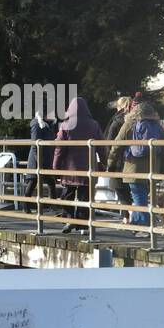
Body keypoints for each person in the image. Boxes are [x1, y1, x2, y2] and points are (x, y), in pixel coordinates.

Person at [52, 97, 104, 233]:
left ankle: (69, 220)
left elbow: (59, 149)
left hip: (70, 168)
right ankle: (82, 225)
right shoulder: (94, 124)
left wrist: (55, 167)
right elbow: (101, 147)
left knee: (67, 195)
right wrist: (105, 162)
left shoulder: (66, 125)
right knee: (84, 197)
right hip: (88, 167)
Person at [119, 100, 164, 226]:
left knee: (139, 197)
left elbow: (116, 146)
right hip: (153, 168)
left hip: (133, 168)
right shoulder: (158, 126)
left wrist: (111, 164)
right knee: (143, 197)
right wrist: (163, 168)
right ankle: (140, 223)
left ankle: (143, 226)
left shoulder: (129, 124)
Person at [101, 96, 134, 213]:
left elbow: (109, 142)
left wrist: (107, 160)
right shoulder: (135, 119)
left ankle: (129, 213)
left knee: (119, 188)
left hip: (118, 160)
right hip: (133, 159)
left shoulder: (116, 122)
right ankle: (127, 215)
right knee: (131, 188)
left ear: (120, 107)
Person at [23, 104, 58, 203]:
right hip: (37, 159)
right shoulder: (36, 124)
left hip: (46, 158)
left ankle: (53, 205)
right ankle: (26, 205)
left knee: (50, 182)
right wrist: (39, 160)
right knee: (33, 182)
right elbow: (35, 144)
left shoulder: (49, 124)